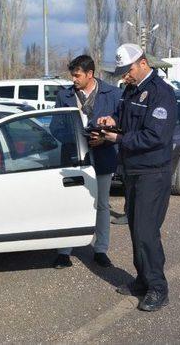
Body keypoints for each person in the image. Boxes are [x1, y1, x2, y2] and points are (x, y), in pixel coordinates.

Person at [97, 43, 177, 312]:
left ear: (143, 63)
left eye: (127, 70)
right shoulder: (130, 90)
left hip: (152, 173)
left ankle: (158, 288)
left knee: (146, 232)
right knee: (136, 229)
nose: (124, 76)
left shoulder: (160, 94)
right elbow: (123, 117)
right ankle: (142, 280)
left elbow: (155, 136)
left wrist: (119, 138)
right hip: (132, 171)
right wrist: (111, 121)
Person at [51, 55, 122, 270]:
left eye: (77, 75)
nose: (73, 79)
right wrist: (77, 139)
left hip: (104, 155)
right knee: (70, 203)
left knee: (101, 204)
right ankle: (64, 252)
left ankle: (101, 250)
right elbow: (55, 127)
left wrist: (104, 136)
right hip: (73, 158)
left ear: (90, 74)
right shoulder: (64, 95)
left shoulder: (113, 94)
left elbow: (122, 123)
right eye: (72, 75)